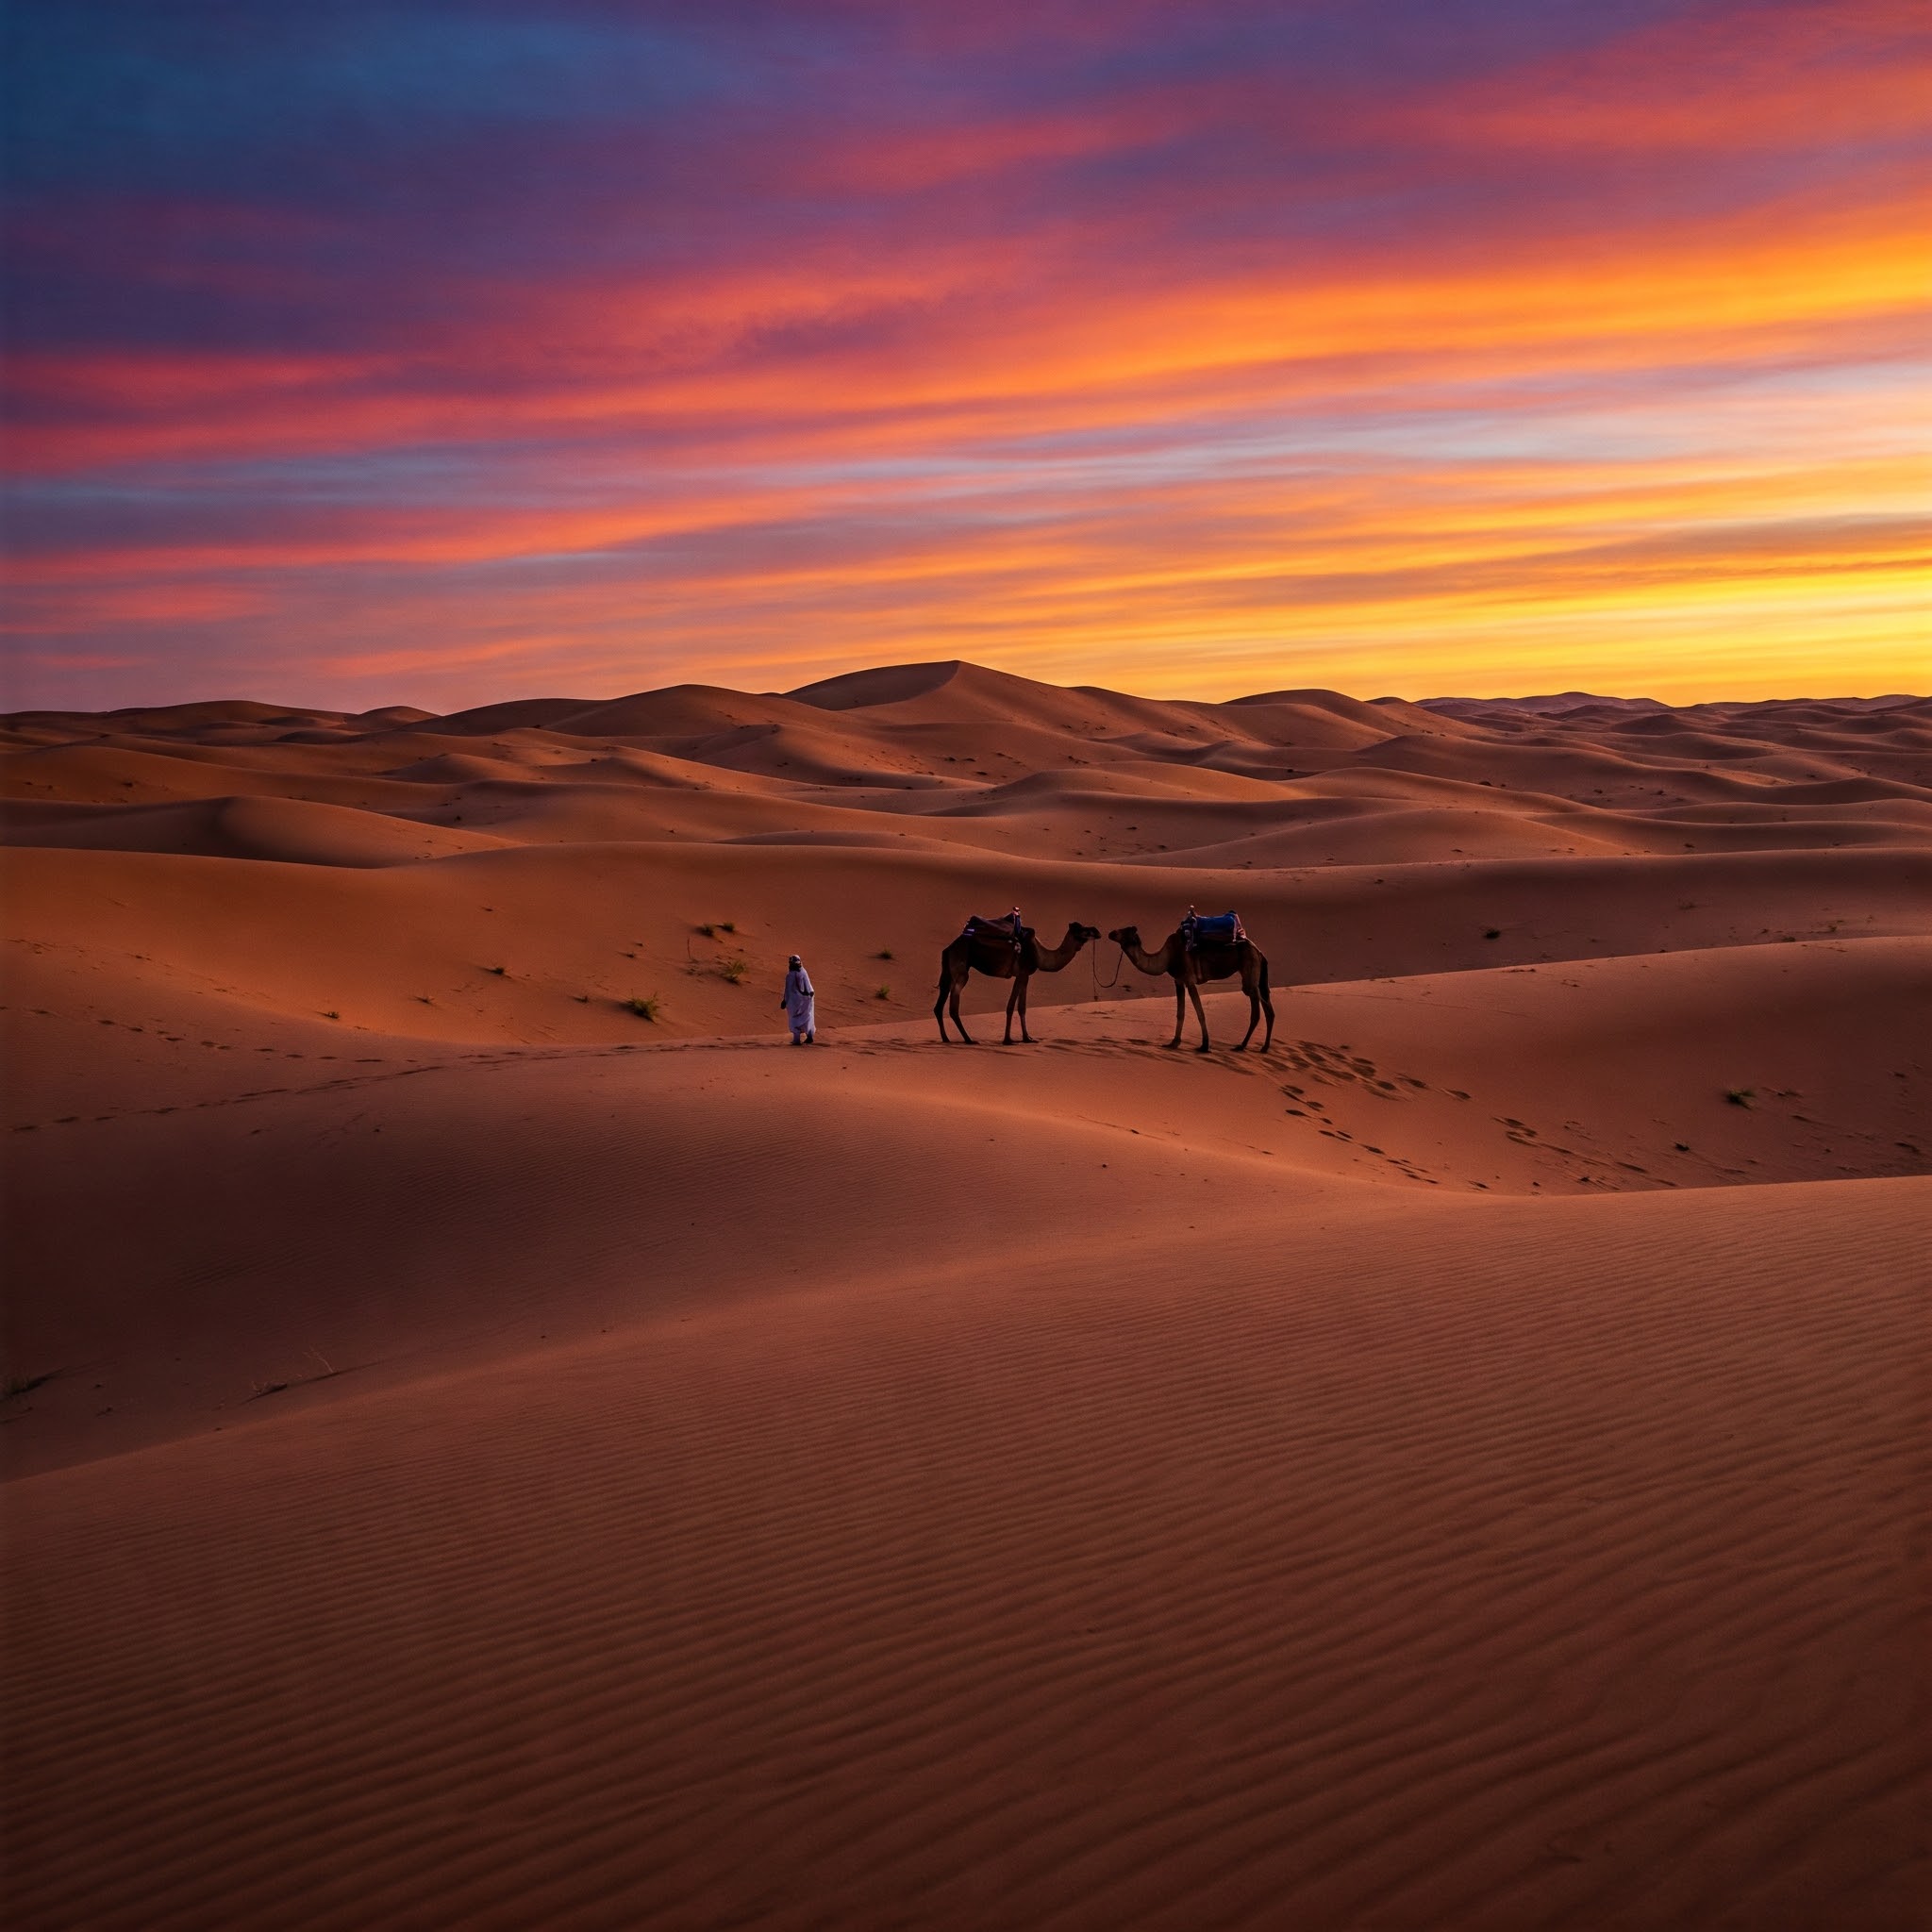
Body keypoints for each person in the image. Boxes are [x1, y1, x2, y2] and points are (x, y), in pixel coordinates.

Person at [780, 954, 815, 1044]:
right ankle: (799, 1038)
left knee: (805, 1018)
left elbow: (808, 985)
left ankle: (806, 1037)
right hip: (794, 1002)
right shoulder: (790, 975)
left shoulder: (803, 973)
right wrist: (785, 1000)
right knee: (796, 1019)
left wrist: (809, 993)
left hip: (803, 1001)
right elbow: (787, 990)